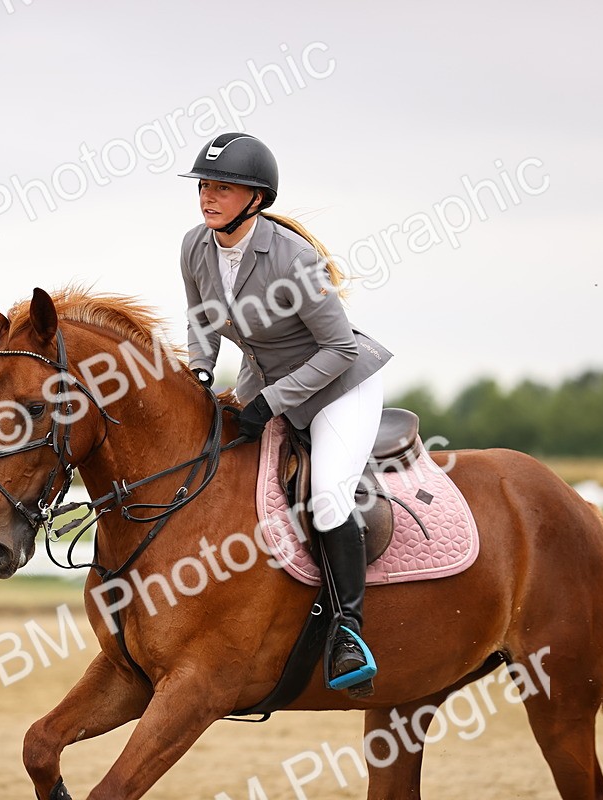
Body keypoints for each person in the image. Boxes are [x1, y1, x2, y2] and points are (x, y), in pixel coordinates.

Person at [178, 132, 393, 695]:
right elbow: (202, 322)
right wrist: (200, 374)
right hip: (263, 380)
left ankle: (348, 631)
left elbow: (339, 349)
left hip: (337, 387)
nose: (207, 197)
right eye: (204, 186)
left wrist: (269, 403)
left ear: (255, 198)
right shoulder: (195, 246)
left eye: (221, 188)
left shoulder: (294, 259)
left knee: (326, 497)